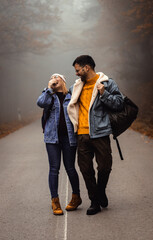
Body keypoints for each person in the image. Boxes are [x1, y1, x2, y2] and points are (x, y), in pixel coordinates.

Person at [67, 55, 124, 215]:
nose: (76, 73)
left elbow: (119, 103)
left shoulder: (106, 83)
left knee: (105, 167)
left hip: (100, 133)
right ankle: (94, 201)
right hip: (82, 135)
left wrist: (104, 93)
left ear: (87, 67)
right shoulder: (76, 86)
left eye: (78, 70)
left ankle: (100, 192)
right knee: (86, 170)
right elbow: (64, 96)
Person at [37, 73, 82, 215]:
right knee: (54, 169)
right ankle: (55, 201)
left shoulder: (71, 95)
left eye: (57, 78)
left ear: (63, 81)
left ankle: (76, 197)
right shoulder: (49, 96)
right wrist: (49, 88)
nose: (54, 79)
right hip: (52, 139)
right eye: (51, 78)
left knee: (70, 168)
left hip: (69, 138)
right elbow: (40, 103)